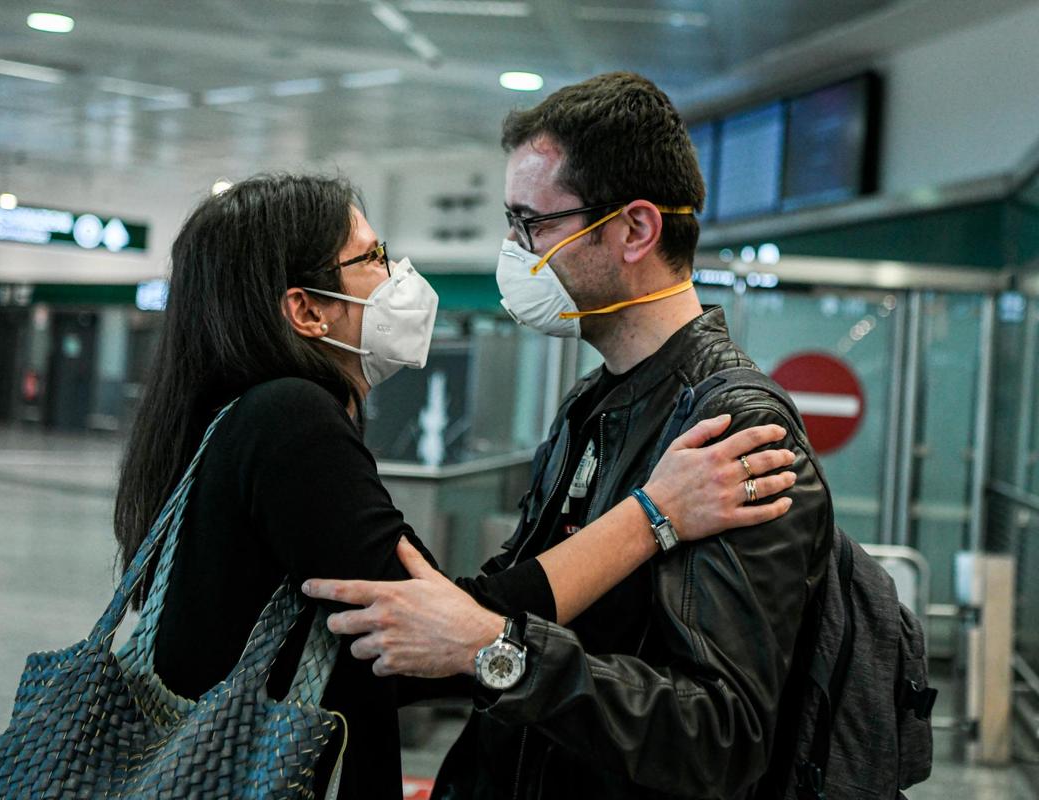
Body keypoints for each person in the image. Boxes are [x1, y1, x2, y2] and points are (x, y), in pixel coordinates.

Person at [112, 173, 795, 800]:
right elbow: (427, 635)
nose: (396, 275)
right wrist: (656, 512)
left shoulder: (230, 418)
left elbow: (427, 629)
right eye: (372, 257)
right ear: (306, 310)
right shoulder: (289, 418)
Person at [302, 72, 834, 799]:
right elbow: (522, 605)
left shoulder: (732, 430)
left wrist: (500, 653)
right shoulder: (593, 402)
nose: (515, 251)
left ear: (636, 229)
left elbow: (722, 736)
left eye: (534, 224)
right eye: (511, 223)